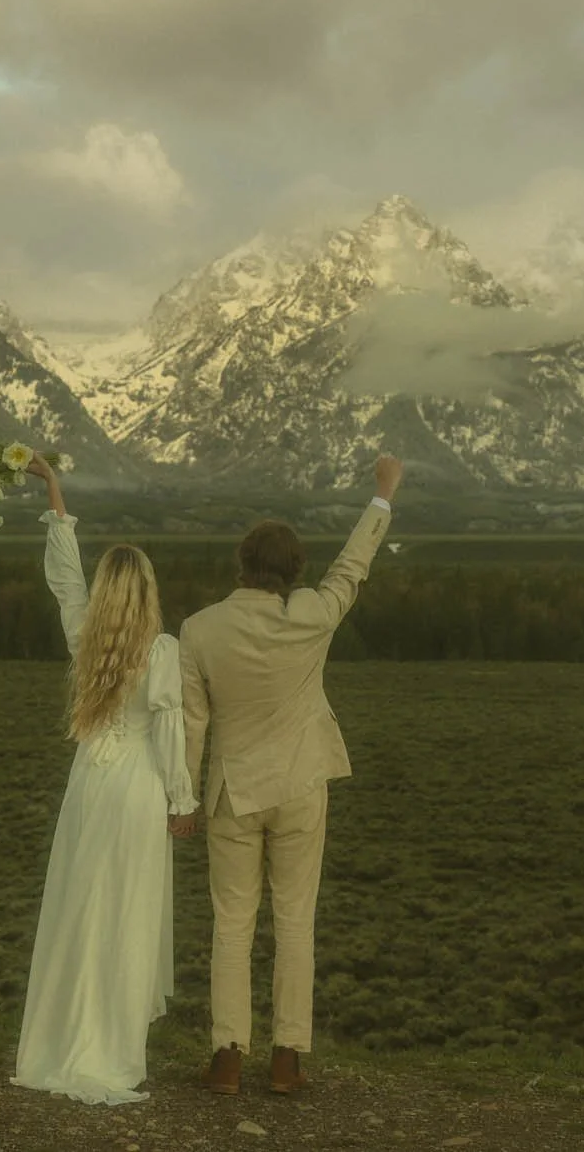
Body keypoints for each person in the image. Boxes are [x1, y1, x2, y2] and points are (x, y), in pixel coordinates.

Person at [178, 453, 403, 1096]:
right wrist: (383, 494)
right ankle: (287, 1059)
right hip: (302, 784)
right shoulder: (312, 615)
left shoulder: (199, 631)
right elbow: (353, 567)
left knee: (231, 925)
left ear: (240, 566)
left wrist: (182, 799)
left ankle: (226, 1056)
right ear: (294, 570)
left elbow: (193, 724)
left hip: (231, 794)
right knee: (296, 921)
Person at [10, 453, 200, 1105]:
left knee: (79, 907)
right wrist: (184, 799)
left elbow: (64, 580)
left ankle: (60, 1038)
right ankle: (113, 1047)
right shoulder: (163, 650)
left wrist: (57, 499)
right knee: (127, 912)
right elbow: (171, 731)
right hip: (142, 786)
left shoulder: (87, 634)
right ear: (147, 591)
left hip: (89, 780)